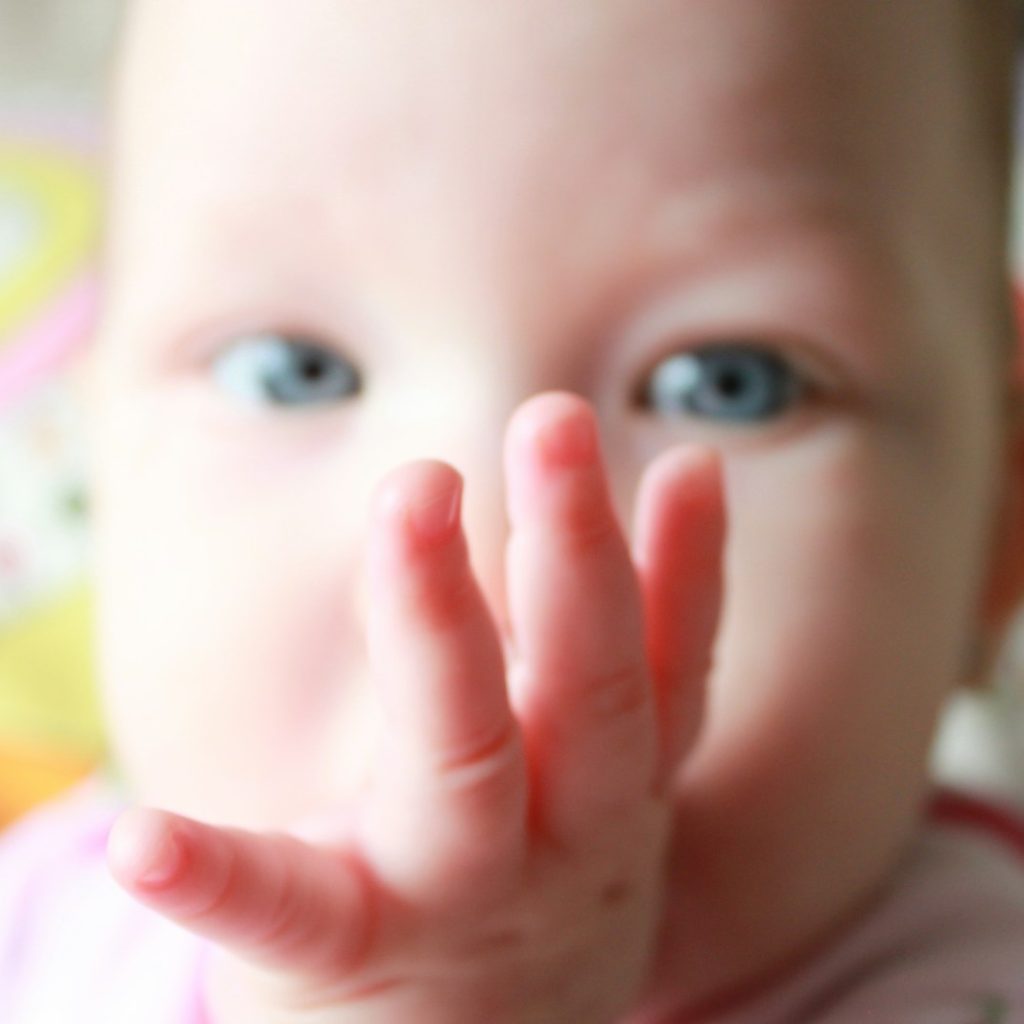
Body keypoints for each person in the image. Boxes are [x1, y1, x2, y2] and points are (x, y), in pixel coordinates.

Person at [2, 1, 1024, 1021]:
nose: (489, 563)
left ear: (997, 519)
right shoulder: (42, 916)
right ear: (98, 473)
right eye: (293, 373)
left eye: (723, 383)